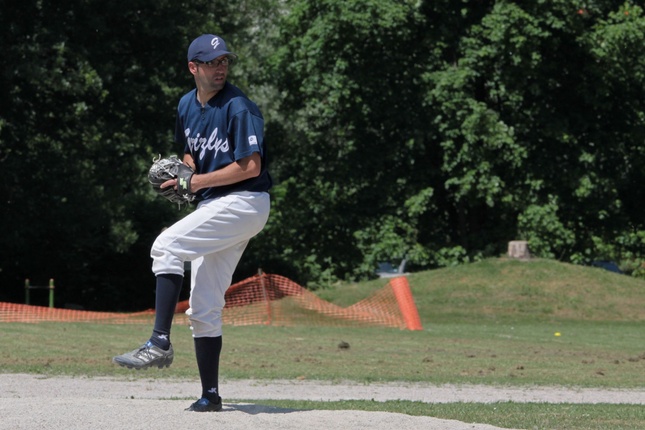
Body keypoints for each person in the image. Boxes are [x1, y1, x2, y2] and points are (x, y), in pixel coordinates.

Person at [113, 34, 272, 413]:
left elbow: (251, 166)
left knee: (166, 246)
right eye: (212, 62)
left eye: (224, 61)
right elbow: (191, 152)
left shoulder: (239, 107)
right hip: (214, 206)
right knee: (203, 307)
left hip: (246, 201)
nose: (221, 68)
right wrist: (185, 174)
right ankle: (211, 395)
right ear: (193, 67)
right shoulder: (186, 104)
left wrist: (195, 182)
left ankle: (158, 342)